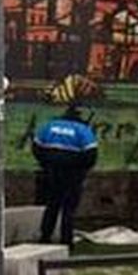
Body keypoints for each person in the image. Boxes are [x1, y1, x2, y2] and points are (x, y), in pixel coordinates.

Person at [32, 104, 99, 247]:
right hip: (73, 174)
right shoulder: (83, 130)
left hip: (51, 172)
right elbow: (91, 155)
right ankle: (66, 240)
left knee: (52, 205)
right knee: (68, 208)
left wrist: (45, 163)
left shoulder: (49, 126)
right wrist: (81, 169)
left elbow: (36, 147)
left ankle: (45, 237)